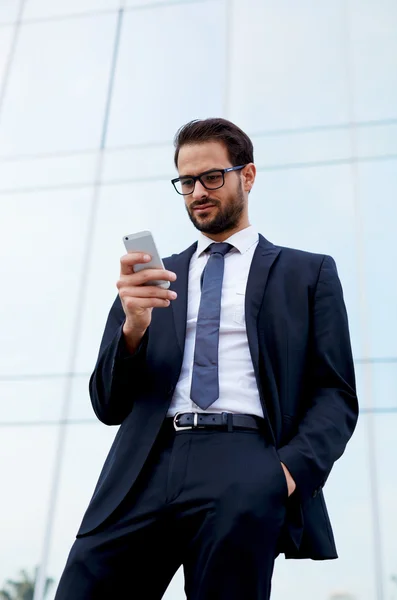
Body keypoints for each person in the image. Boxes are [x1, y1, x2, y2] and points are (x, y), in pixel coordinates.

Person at [55, 118, 358, 600]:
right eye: (187, 182)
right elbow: (107, 405)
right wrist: (133, 328)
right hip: (143, 469)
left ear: (248, 175)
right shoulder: (153, 278)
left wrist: (285, 474)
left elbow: (335, 395)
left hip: (244, 463)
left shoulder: (308, 273)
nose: (198, 191)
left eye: (212, 177)